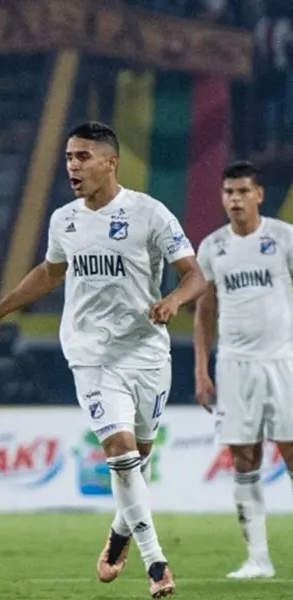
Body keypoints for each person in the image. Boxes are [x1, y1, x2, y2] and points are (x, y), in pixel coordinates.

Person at [0, 121, 206, 598]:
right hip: (90, 353)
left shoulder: (149, 214)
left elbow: (195, 274)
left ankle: (120, 532)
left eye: (82, 157)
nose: (72, 166)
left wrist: (175, 300)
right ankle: (157, 564)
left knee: (138, 458)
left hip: (146, 352)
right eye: (69, 157)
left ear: (110, 162)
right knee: (119, 454)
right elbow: (49, 273)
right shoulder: (64, 220)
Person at [193, 160, 293, 580]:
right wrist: (202, 368)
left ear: (259, 195)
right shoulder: (212, 247)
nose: (234, 199)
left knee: (291, 451)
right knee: (243, 456)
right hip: (233, 364)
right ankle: (258, 558)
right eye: (228, 192)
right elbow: (204, 311)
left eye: (242, 191)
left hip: (283, 359)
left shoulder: (284, 238)